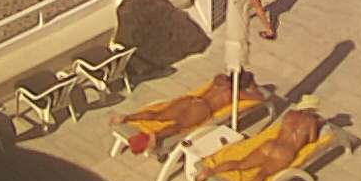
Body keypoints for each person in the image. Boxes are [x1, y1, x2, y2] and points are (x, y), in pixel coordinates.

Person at [194, 95, 323, 181]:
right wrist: (318, 124)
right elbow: (312, 140)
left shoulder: (290, 114)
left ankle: (209, 172)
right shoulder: (312, 121)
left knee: (241, 164)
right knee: (263, 174)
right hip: (285, 152)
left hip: (271, 145)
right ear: (313, 109)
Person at [110, 72, 257, 145]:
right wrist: (253, 86)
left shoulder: (220, 79)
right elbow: (259, 97)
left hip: (191, 100)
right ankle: (157, 136)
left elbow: (225, 75)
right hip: (203, 108)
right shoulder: (235, 93)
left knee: (159, 114)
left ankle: (127, 117)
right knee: (179, 126)